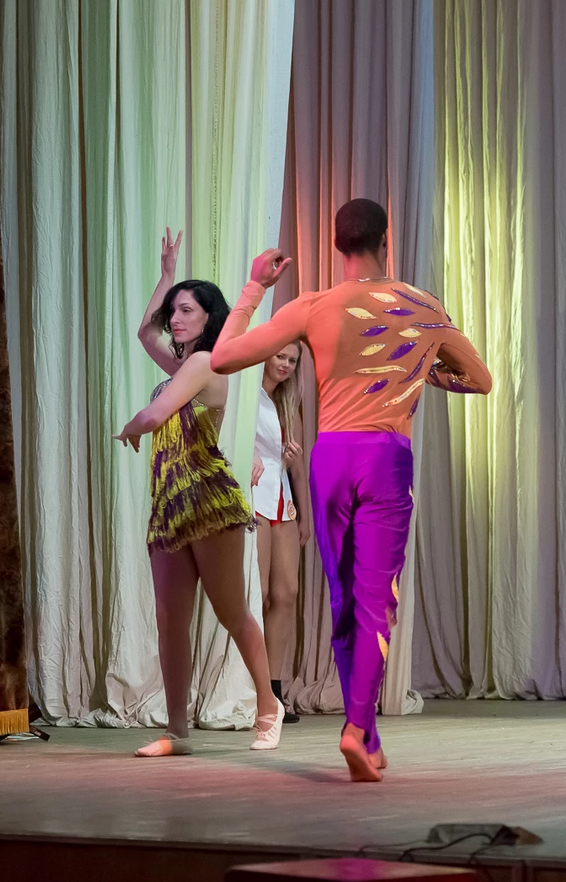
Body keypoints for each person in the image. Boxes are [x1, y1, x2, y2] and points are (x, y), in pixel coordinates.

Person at [210, 200, 492, 782]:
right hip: (384, 457)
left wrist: (255, 288)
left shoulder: (312, 306)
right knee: (375, 599)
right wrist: (420, 368)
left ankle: (366, 732)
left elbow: (223, 356)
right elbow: (480, 380)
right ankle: (357, 729)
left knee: (344, 599)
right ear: (386, 240)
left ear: (338, 246)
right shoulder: (422, 307)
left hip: (331, 457)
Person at [115, 228, 284, 757]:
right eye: (174, 310)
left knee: (233, 612)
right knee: (170, 621)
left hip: (208, 500)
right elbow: (145, 332)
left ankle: (268, 706)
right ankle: (177, 731)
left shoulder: (206, 364)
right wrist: (167, 276)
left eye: (186, 310)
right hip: (170, 504)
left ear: (209, 319)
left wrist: (133, 426)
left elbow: (156, 415)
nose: (175, 318)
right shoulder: (182, 367)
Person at [251, 342, 308, 724]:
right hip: (253, 497)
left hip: (283, 500)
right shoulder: (246, 396)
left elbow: (299, 467)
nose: (285, 365)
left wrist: (306, 516)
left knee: (287, 592)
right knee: (259, 593)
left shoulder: (288, 404)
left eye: (292, 360)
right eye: (281, 356)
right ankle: (252, 688)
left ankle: (274, 689)